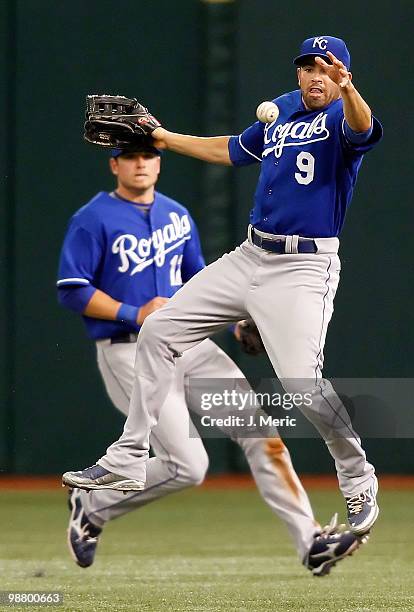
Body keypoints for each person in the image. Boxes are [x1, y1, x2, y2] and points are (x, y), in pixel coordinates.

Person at [63, 36, 383, 537]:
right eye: (308, 67)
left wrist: (350, 90)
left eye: (327, 67)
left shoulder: (345, 114)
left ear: (341, 71)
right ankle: (127, 458)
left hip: (302, 269)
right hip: (250, 253)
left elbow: (364, 129)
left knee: (303, 388)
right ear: (298, 73)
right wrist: (164, 138)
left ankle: (357, 476)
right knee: (159, 332)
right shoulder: (280, 110)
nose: (317, 75)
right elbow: (233, 150)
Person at [57, 144, 364, 576]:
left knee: (262, 435)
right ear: (115, 164)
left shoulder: (176, 215)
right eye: (130, 155)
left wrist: (236, 324)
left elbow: (200, 285)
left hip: (196, 349)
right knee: (189, 465)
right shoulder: (92, 218)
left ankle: (311, 541)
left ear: (159, 162)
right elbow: (72, 289)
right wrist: (134, 313)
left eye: (148, 154)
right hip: (130, 350)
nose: (141, 162)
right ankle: (93, 504)